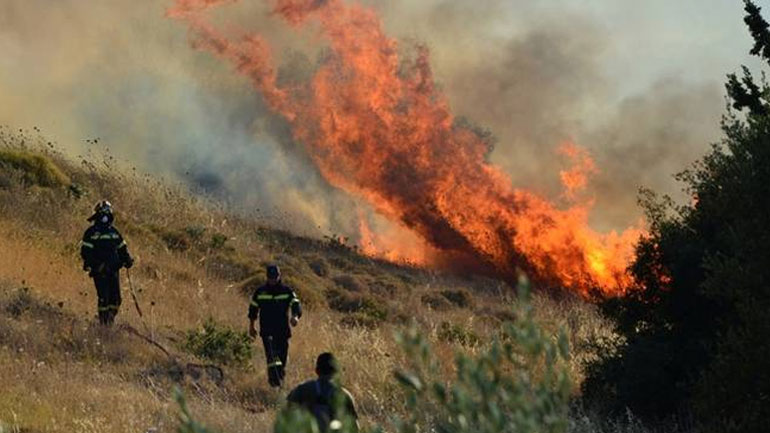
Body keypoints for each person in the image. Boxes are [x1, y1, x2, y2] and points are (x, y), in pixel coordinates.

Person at [80, 200, 133, 326]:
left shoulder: (114, 232)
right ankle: (104, 324)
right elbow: (86, 253)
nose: (105, 215)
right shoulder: (91, 233)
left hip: (114, 270)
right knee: (104, 298)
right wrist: (96, 266)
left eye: (107, 212)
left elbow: (122, 248)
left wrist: (127, 260)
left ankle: (110, 320)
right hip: (100, 271)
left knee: (116, 300)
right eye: (103, 212)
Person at [248, 264, 302, 387]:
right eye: (270, 277)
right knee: (272, 358)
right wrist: (251, 326)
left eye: (275, 277)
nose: (272, 280)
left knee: (282, 359)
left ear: (279, 276)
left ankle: (280, 381)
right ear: (267, 277)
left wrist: (295, 316)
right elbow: (253, 309)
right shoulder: (260, 292)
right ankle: (274, 384)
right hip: (267, 331)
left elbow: (296, 305)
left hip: (282, 331)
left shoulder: (287, 291)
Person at [286, 352, 359, 432]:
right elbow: (354, 428)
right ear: (335, 372)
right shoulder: (343, 394)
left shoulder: (302, 390)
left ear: (317, 371)